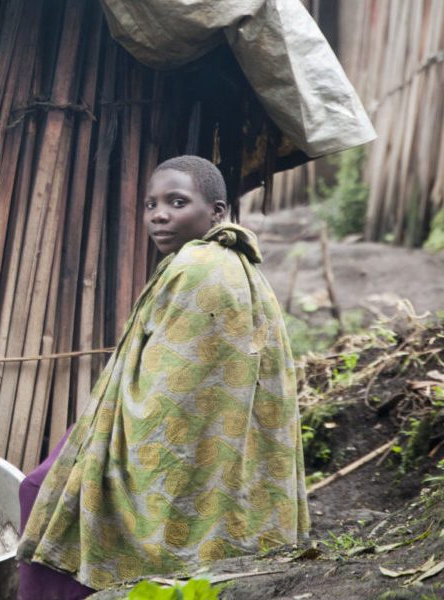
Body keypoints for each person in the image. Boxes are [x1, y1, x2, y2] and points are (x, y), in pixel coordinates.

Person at [17, 155, 309, 599]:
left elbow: (175, 391)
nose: (160, 215)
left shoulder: (201, 268)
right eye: (151, 204)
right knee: (44, 493)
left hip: (152, 432)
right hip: (165, 429)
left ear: (217, 211)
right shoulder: (227, 264)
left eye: (176, 202)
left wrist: (108, 454)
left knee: (48, 498)